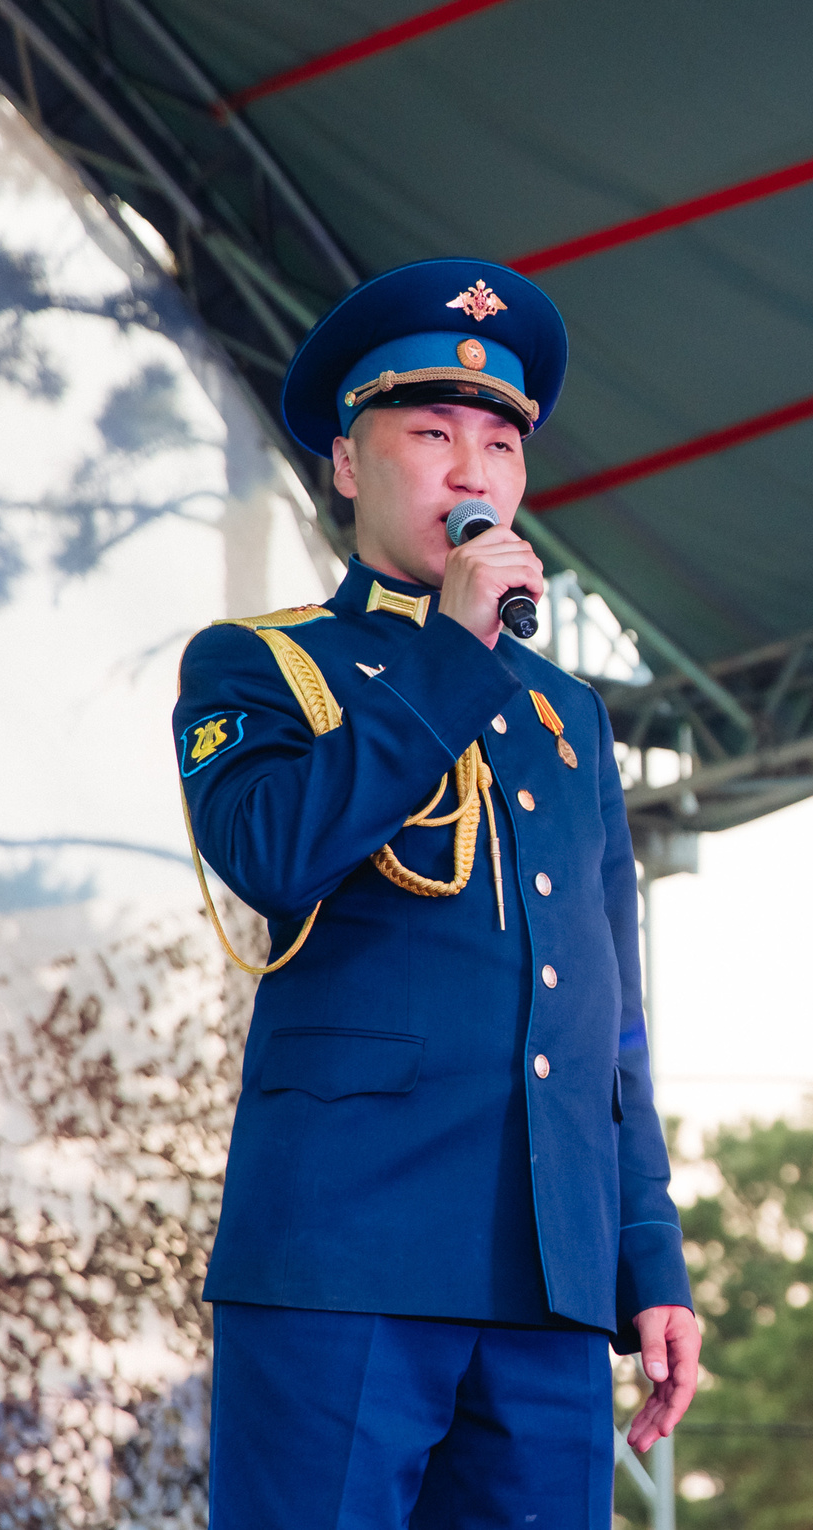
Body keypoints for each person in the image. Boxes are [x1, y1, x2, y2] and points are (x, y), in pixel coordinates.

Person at [174, 259, 697, 1527]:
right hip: (343, 1255)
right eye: (431, 432)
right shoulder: (262, 664)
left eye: (500, 442)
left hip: (548, 1278)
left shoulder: (570, 718)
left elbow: (609, 1017)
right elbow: (271, 850)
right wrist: (450, 651)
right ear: (351, 464)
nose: (474, 471)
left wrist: (648, 1255)